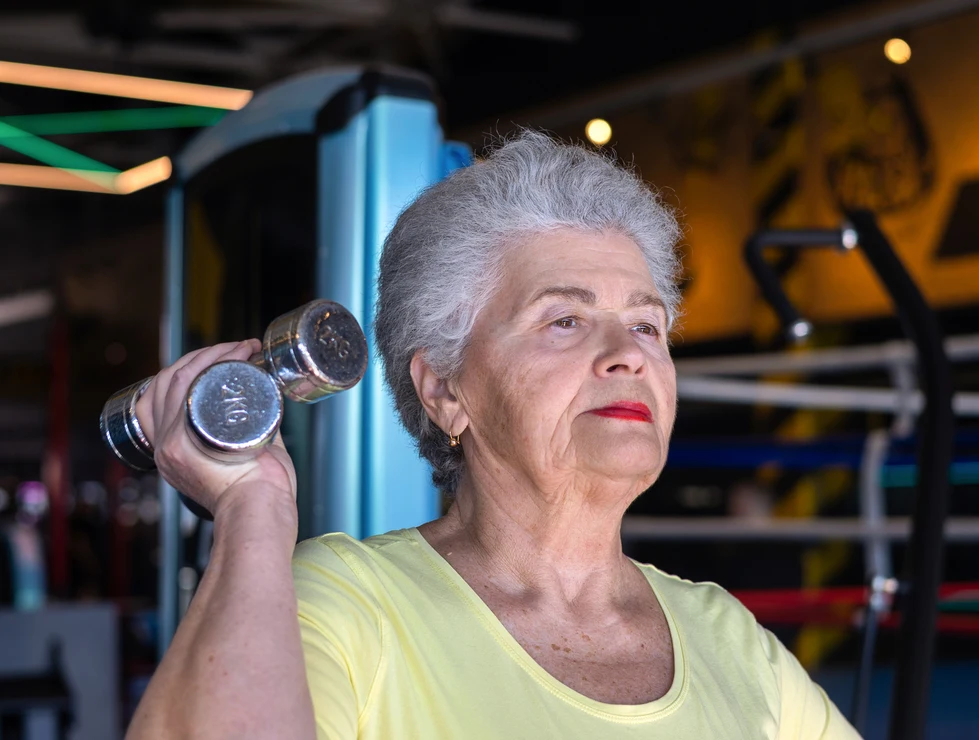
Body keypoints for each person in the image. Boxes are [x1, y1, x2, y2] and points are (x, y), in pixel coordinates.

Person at [125, 131, 861, 739]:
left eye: (646, 325)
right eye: (564, 320)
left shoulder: (723, 633)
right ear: (446, 390)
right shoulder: (348, 604)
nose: (629, 353)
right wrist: (254, 507)